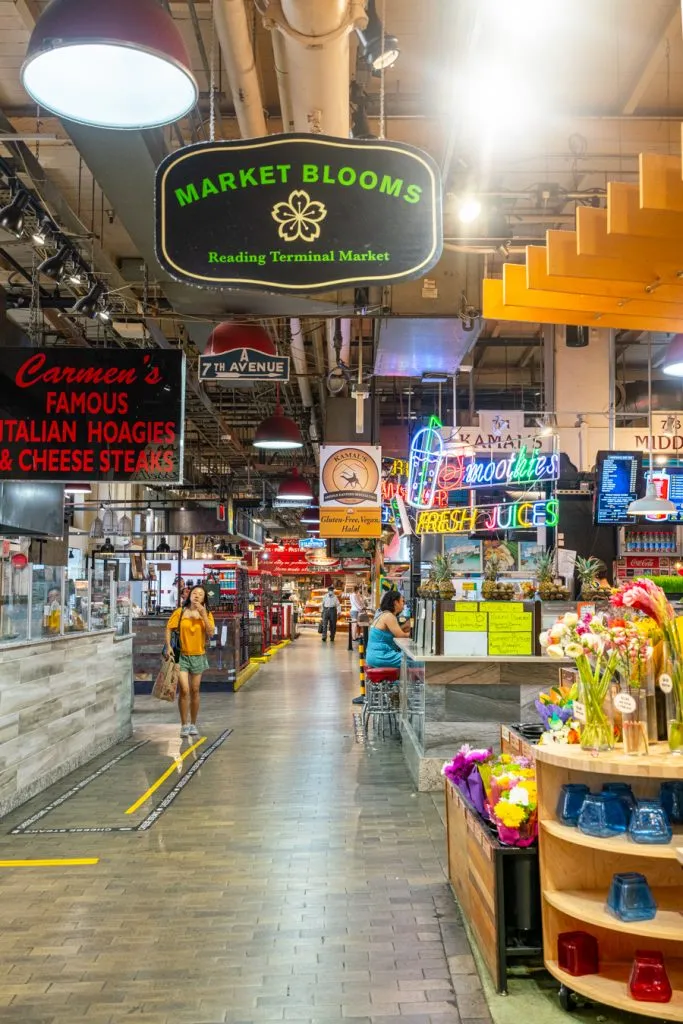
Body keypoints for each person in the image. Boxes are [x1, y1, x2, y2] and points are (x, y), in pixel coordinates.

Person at [165, 585, 215, 738]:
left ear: (204, 599)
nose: (197, 596)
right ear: (189, 595)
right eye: (194, 593)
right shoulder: (180, 613)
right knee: (185, 690)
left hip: (198, 655)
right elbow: (169, 628)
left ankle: (193, 723)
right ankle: (183, 724)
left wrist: (203, 615)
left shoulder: (207, 613)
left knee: (195, 690)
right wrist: (168, 647)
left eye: (200, 594)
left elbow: (211, 632)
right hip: (181, 655)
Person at [365, 589, 411, 671]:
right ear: (395, 602)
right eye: (402, 601)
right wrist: (416, 635)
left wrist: (405, 626)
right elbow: (400, 635)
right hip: (381, 656)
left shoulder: (383, 614)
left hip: (373, 655)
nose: (404, 604)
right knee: (412, 660)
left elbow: (393, 632)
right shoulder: (389, 616)